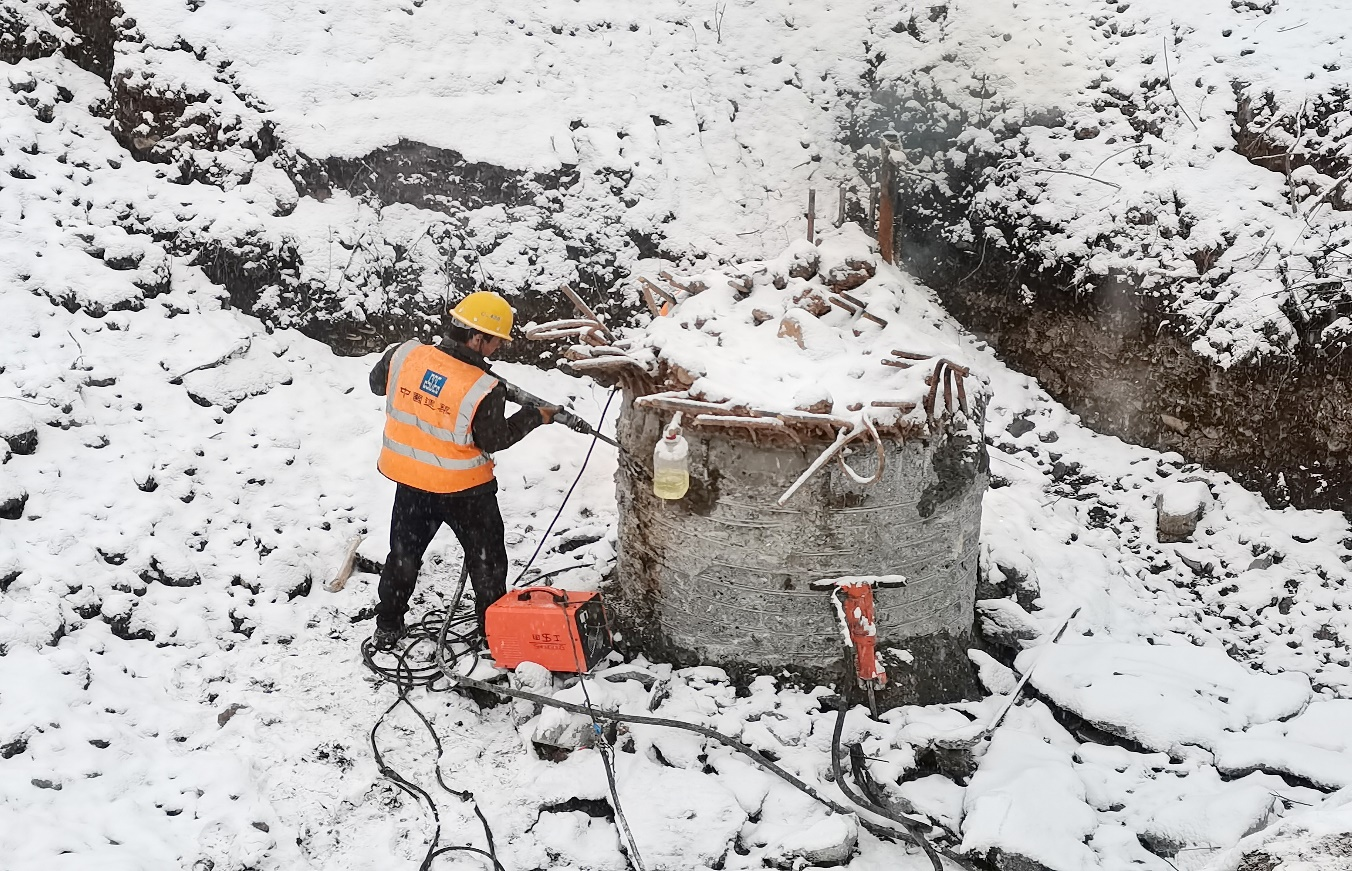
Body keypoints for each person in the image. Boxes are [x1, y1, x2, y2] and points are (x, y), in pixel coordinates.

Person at [368, 290, 556, 650]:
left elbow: (377, 385)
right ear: (476, 336)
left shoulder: (404, 354)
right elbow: (494, 440)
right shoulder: (484, 387)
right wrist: (536, 416)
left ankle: (388, 625)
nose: (497, 349)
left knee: (403, 557)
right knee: (486, 562)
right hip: (465, 492)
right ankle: (493, 632)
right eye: (495, 342)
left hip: (412, 484)